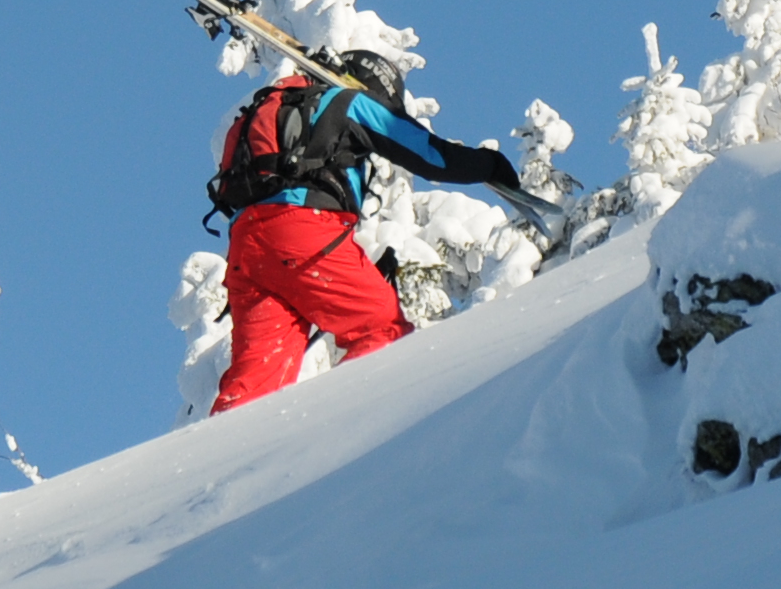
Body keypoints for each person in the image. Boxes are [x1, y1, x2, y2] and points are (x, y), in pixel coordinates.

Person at [207, 49, 539, 413]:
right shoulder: (350, 102)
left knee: (253, 385)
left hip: (247, 248)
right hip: (303, 230)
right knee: (383, 330)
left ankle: (217, 462)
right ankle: (339, 437)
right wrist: (489, 165)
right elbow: (431, 156)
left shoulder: (274, 107)